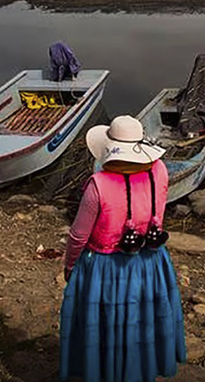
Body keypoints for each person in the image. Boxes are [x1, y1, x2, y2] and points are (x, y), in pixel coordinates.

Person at [60, 115, 186, 382]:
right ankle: (140, 367)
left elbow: (79, 236)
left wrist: (70, 266)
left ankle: (107, 369)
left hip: (107, 267)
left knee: (107, 321)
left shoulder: (98, 185)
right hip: (151, 260)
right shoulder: (160, 170)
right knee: (143, 317)